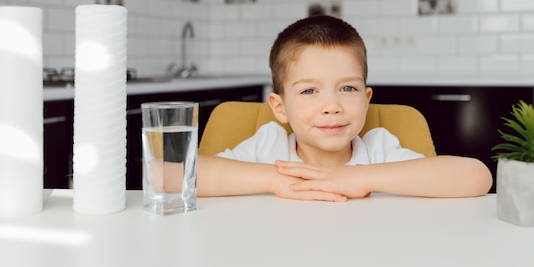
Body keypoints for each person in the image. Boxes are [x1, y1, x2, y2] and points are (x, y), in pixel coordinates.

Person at [195, 15, 493, 201]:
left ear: (366, 98)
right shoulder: (268, 145)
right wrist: (275, 181)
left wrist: (359, 177)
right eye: (310, 90)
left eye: (348, 88)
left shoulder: (379, 149)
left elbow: (477, 176)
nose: (332, 106)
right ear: (280, 107)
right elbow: (170, 175)